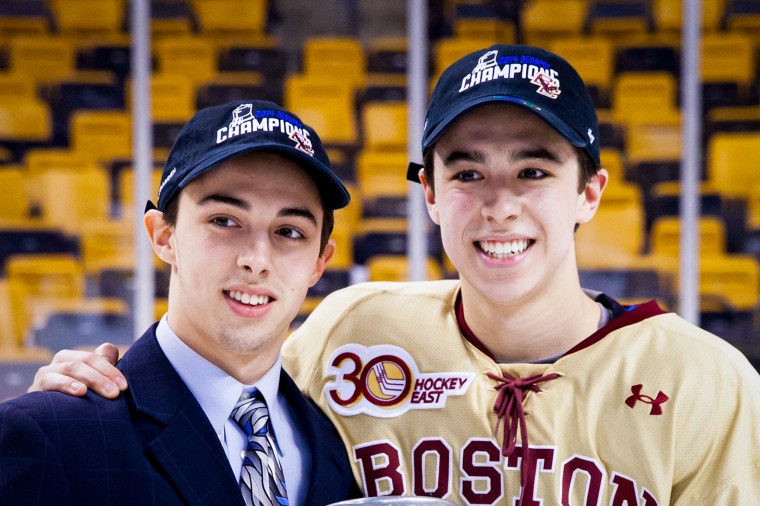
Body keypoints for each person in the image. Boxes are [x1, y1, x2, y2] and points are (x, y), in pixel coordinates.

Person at [28, 45, 760, 505]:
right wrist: (89, 390)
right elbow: (218, 387)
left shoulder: (707, 383)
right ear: (432, 195)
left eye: (533, 171)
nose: (499, 205)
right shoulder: (359, 329)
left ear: (590, 192)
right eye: (468, 171)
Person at [0, 100, 361, 505]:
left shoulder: (339, 448)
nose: (257, 260)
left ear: (319, 262)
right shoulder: (51, 433)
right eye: (224, 220)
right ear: (163, 235)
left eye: (290, 231)